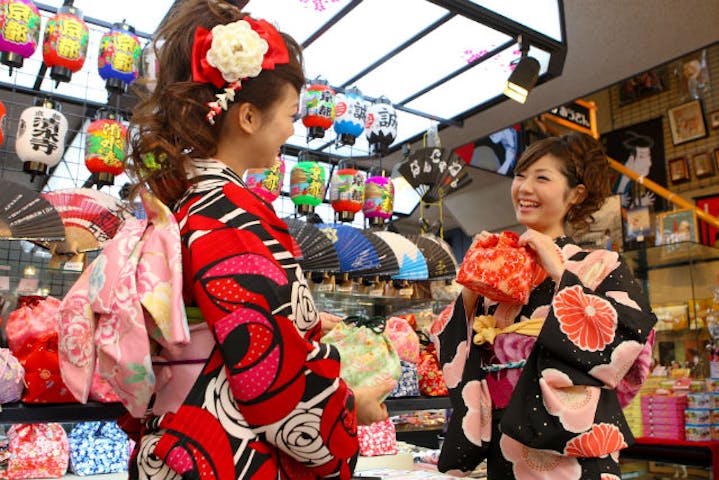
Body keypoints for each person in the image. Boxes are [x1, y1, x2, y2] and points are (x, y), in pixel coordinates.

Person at [123, 1, 391, 478]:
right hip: (221, 442)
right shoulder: (229, 210)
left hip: (182, 428)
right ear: (247, 117)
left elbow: (241, 320)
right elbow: (270, 373)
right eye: (289, 114)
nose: (291, 128)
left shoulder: (188, 200)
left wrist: (304, 320)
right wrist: (351, 408)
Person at [433, 132, 657, 479]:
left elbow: (628, 340)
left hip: (573, 443)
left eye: (541, 178)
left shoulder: (601, 264)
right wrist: (473, 285)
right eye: (520, 176)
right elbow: (454, 344)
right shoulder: (502, 267)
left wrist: (559, 271)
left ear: (575, 194)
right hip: (507, 439)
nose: (524, 187)